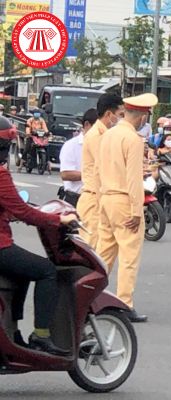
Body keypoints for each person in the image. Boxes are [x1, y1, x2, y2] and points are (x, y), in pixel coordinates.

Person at [0, 116, 78, 355]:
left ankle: (12, 332)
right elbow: (24, 211)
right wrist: (59, 220)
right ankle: (41, 335)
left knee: (22, 274)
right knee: (46, 271)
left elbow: (14, 209)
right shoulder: (1, 175)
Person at [96, 93, 158, 323]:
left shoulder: (108, 135)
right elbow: (133, 179)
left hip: (106, 199)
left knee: (104, 254)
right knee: (129, 257)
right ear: (142, 116)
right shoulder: (132, 140)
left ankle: (93, 296)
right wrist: (136, 209)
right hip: (124, 200)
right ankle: (124, 304)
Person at [78, 93, 125, 250]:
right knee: (91, 251)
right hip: (94, 200)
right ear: (109, 114)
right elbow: (102, 170)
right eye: (120, 115)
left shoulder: (105, 134)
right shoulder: (96, 136)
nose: (122, 119)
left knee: (101, 251)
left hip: (98, 198)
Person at [59, 109, 98, 207]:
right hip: (75, 199)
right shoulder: (71, 145)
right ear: (87, 125)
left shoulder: (104, 145)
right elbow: (66, 174)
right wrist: (95, 174)